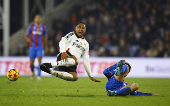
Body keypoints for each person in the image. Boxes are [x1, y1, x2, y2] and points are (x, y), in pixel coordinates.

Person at [25, 15, 48, 81]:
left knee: (39, 62)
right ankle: (32, 72)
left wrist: (46, 47)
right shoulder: (31, 26)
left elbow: (45, 38)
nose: (38, 19)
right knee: (31, 63)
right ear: (34, 19)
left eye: (39, 18)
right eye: (36, 18)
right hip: (32, 47)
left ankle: (39, 76)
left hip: (40, 47)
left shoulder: (43, 27)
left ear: (41, 19)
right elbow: (26, 35)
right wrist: (27, 39)